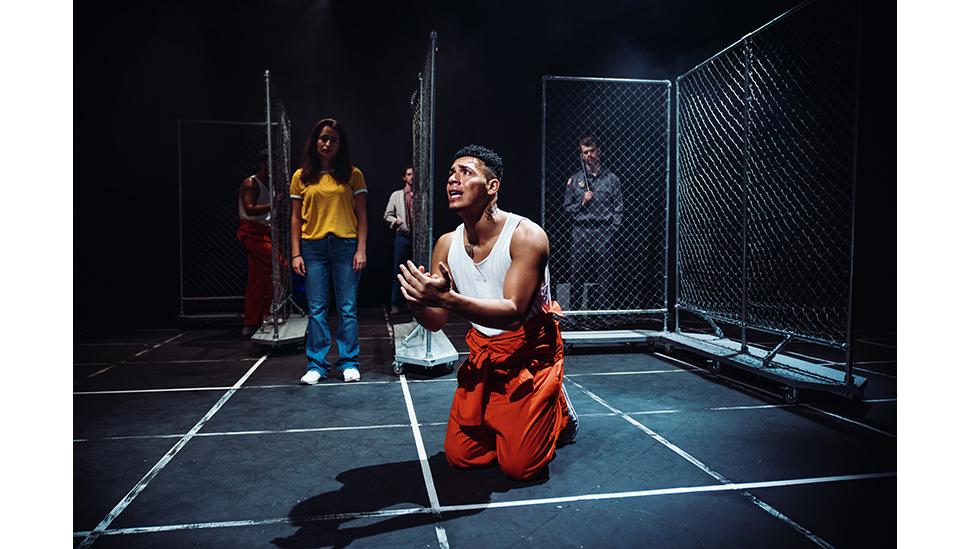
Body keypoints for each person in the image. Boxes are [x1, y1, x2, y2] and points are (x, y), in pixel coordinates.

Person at [397, 144, 578, 481]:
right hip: (486, 352)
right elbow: (435, 321)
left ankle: (557, 407)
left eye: (465, 172)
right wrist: (418, 302)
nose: (453, 179)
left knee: (520, 467)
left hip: (529, 353)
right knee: (462, 457)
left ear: (492, 186)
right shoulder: (446, 245)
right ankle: (512, 418)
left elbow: (513, 312)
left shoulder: (526, 236)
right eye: (451, 174)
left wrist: (449, 300)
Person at [289, 118, 368, 384]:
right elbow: (295, 219)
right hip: (313, 247)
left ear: (340, 144)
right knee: (316, 309)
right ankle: (317, 364)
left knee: (347, 307)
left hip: (346, 245)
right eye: (323, 138)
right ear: (315, 141)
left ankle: (349, 362)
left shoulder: (353, 174)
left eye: (333, 139)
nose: (327, 143)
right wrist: (296, 253)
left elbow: (362, 215)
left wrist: (361, 249)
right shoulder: (301, 177)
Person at [562, 136, 623, 310]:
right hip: (581, 231)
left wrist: (612, 229)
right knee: (577, 272)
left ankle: (602, 314)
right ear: (582, 156)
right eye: (585, 152)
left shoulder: (612, 179)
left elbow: (618, 207)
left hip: (603, 231)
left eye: (592, 151)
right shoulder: (575, 180)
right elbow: (567, 208)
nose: (589, 155)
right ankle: (574, 314)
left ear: (599, 152)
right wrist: (582, 201)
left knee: (605, 273)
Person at [237, 149, 273, 337]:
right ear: (264, 163)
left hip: (264, 232)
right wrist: (274, 204)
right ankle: (269, 315)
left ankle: (251, 323)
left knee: (257, 278)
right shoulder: (251, 183)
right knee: (280, 267)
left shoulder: (271, 184)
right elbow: (250, 209)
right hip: (252, 232)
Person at [383, 165, 415, 315]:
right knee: (398, 269)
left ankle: (414, 303)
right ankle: (395, 303)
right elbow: (387, 214)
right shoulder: (397, 195)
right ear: (404, 177)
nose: (412, 177)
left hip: (418, 238)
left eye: (413, 174)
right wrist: (396, 221)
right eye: (409, 174)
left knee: (417, 271)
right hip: (402, 236)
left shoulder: (421, 195)